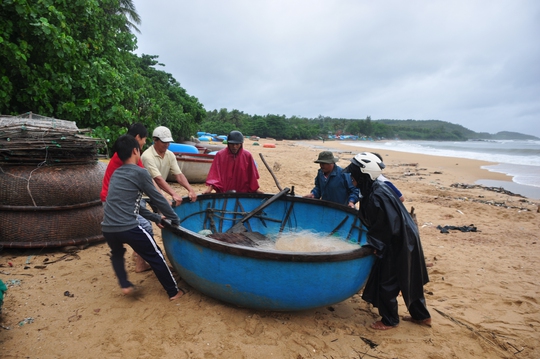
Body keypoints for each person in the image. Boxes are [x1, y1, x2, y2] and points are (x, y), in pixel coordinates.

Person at [344, 152, 431, 330]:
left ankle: (389, 320)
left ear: (363, 175)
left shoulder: (377, 195)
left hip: (397, 241)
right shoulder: (376, 188)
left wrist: (376, 245)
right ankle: (422, 317)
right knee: (410, 276)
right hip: (406, 236)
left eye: (354, 175)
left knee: (387, 280)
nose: (351, 178)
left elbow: (387, 225)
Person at [102, 135, 183, 301]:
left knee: (117, 253)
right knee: (156, 255)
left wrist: (155, 217)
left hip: (108, 227)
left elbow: (134, 206)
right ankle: (174, 292)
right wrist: (175, 219)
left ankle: (125, 285)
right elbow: (158, 199)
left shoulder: (116, 173)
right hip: (128, 227)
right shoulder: (140, 173)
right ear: (135, 151)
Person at [101, 123, 153, 273]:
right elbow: (147, 182)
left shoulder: (124, 152)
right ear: (137, 138)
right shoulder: (130, 156)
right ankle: (141, 263)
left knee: (143, 219)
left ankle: (138, 253)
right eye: (144, 139)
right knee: (146, 226)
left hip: (114, 198)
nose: (144, 143)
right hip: (116, 201)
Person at [141, 126, 197, 206]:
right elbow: (158, 179)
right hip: (143, 195)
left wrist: (190, 190)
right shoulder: (147, 156)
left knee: (167, 214)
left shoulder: (170, 155)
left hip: (158, 192)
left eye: (168, 142)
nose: (167, 145)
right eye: (164, 142)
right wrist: (174, 194)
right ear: (155, 140)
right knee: (140, 216)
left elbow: (179, 175)